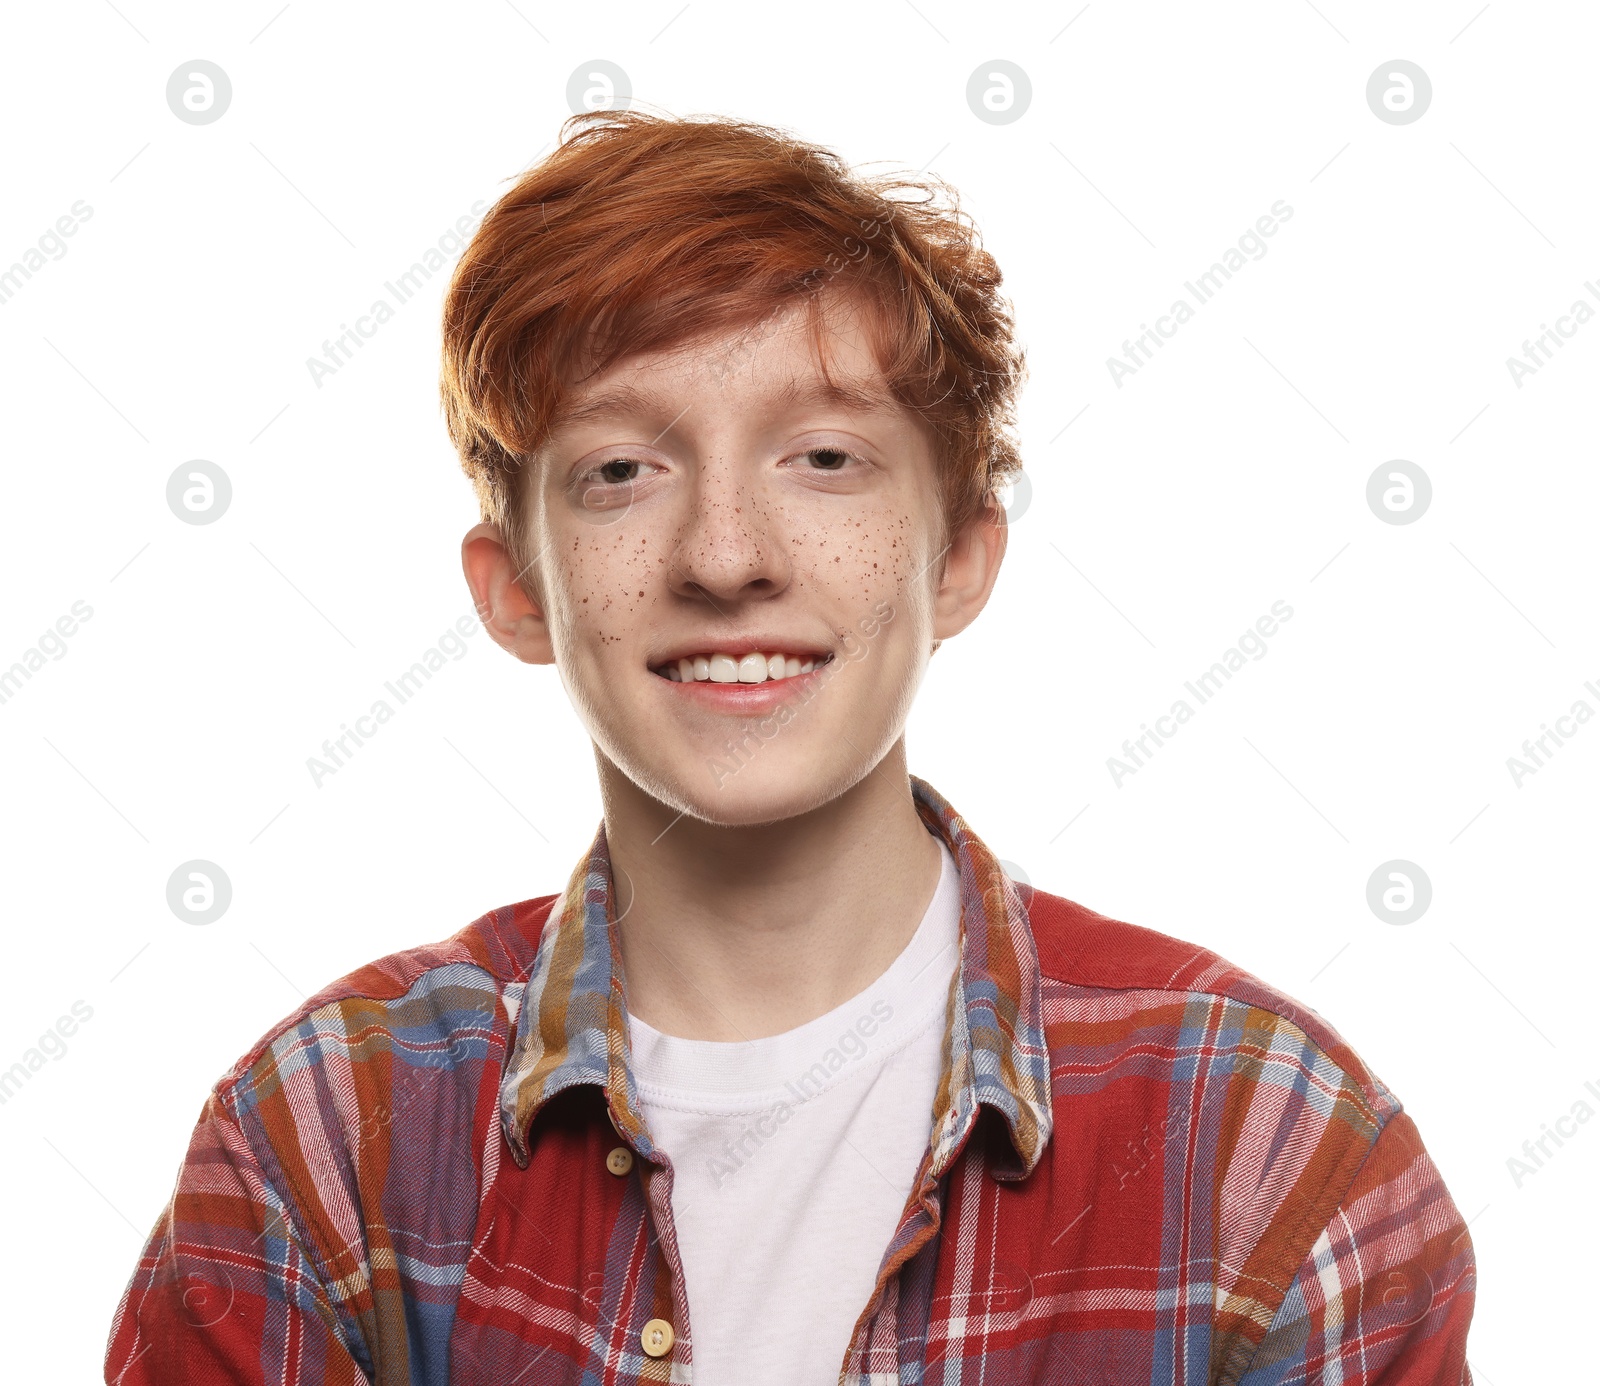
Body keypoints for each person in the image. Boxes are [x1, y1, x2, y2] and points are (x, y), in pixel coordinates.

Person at [105, 110, 1475, 1385]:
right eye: (620, 471)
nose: (724, 556)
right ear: (517, 586)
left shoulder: (1264, 1147)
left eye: (822, 458)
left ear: (962, 558)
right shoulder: (329, 1140)